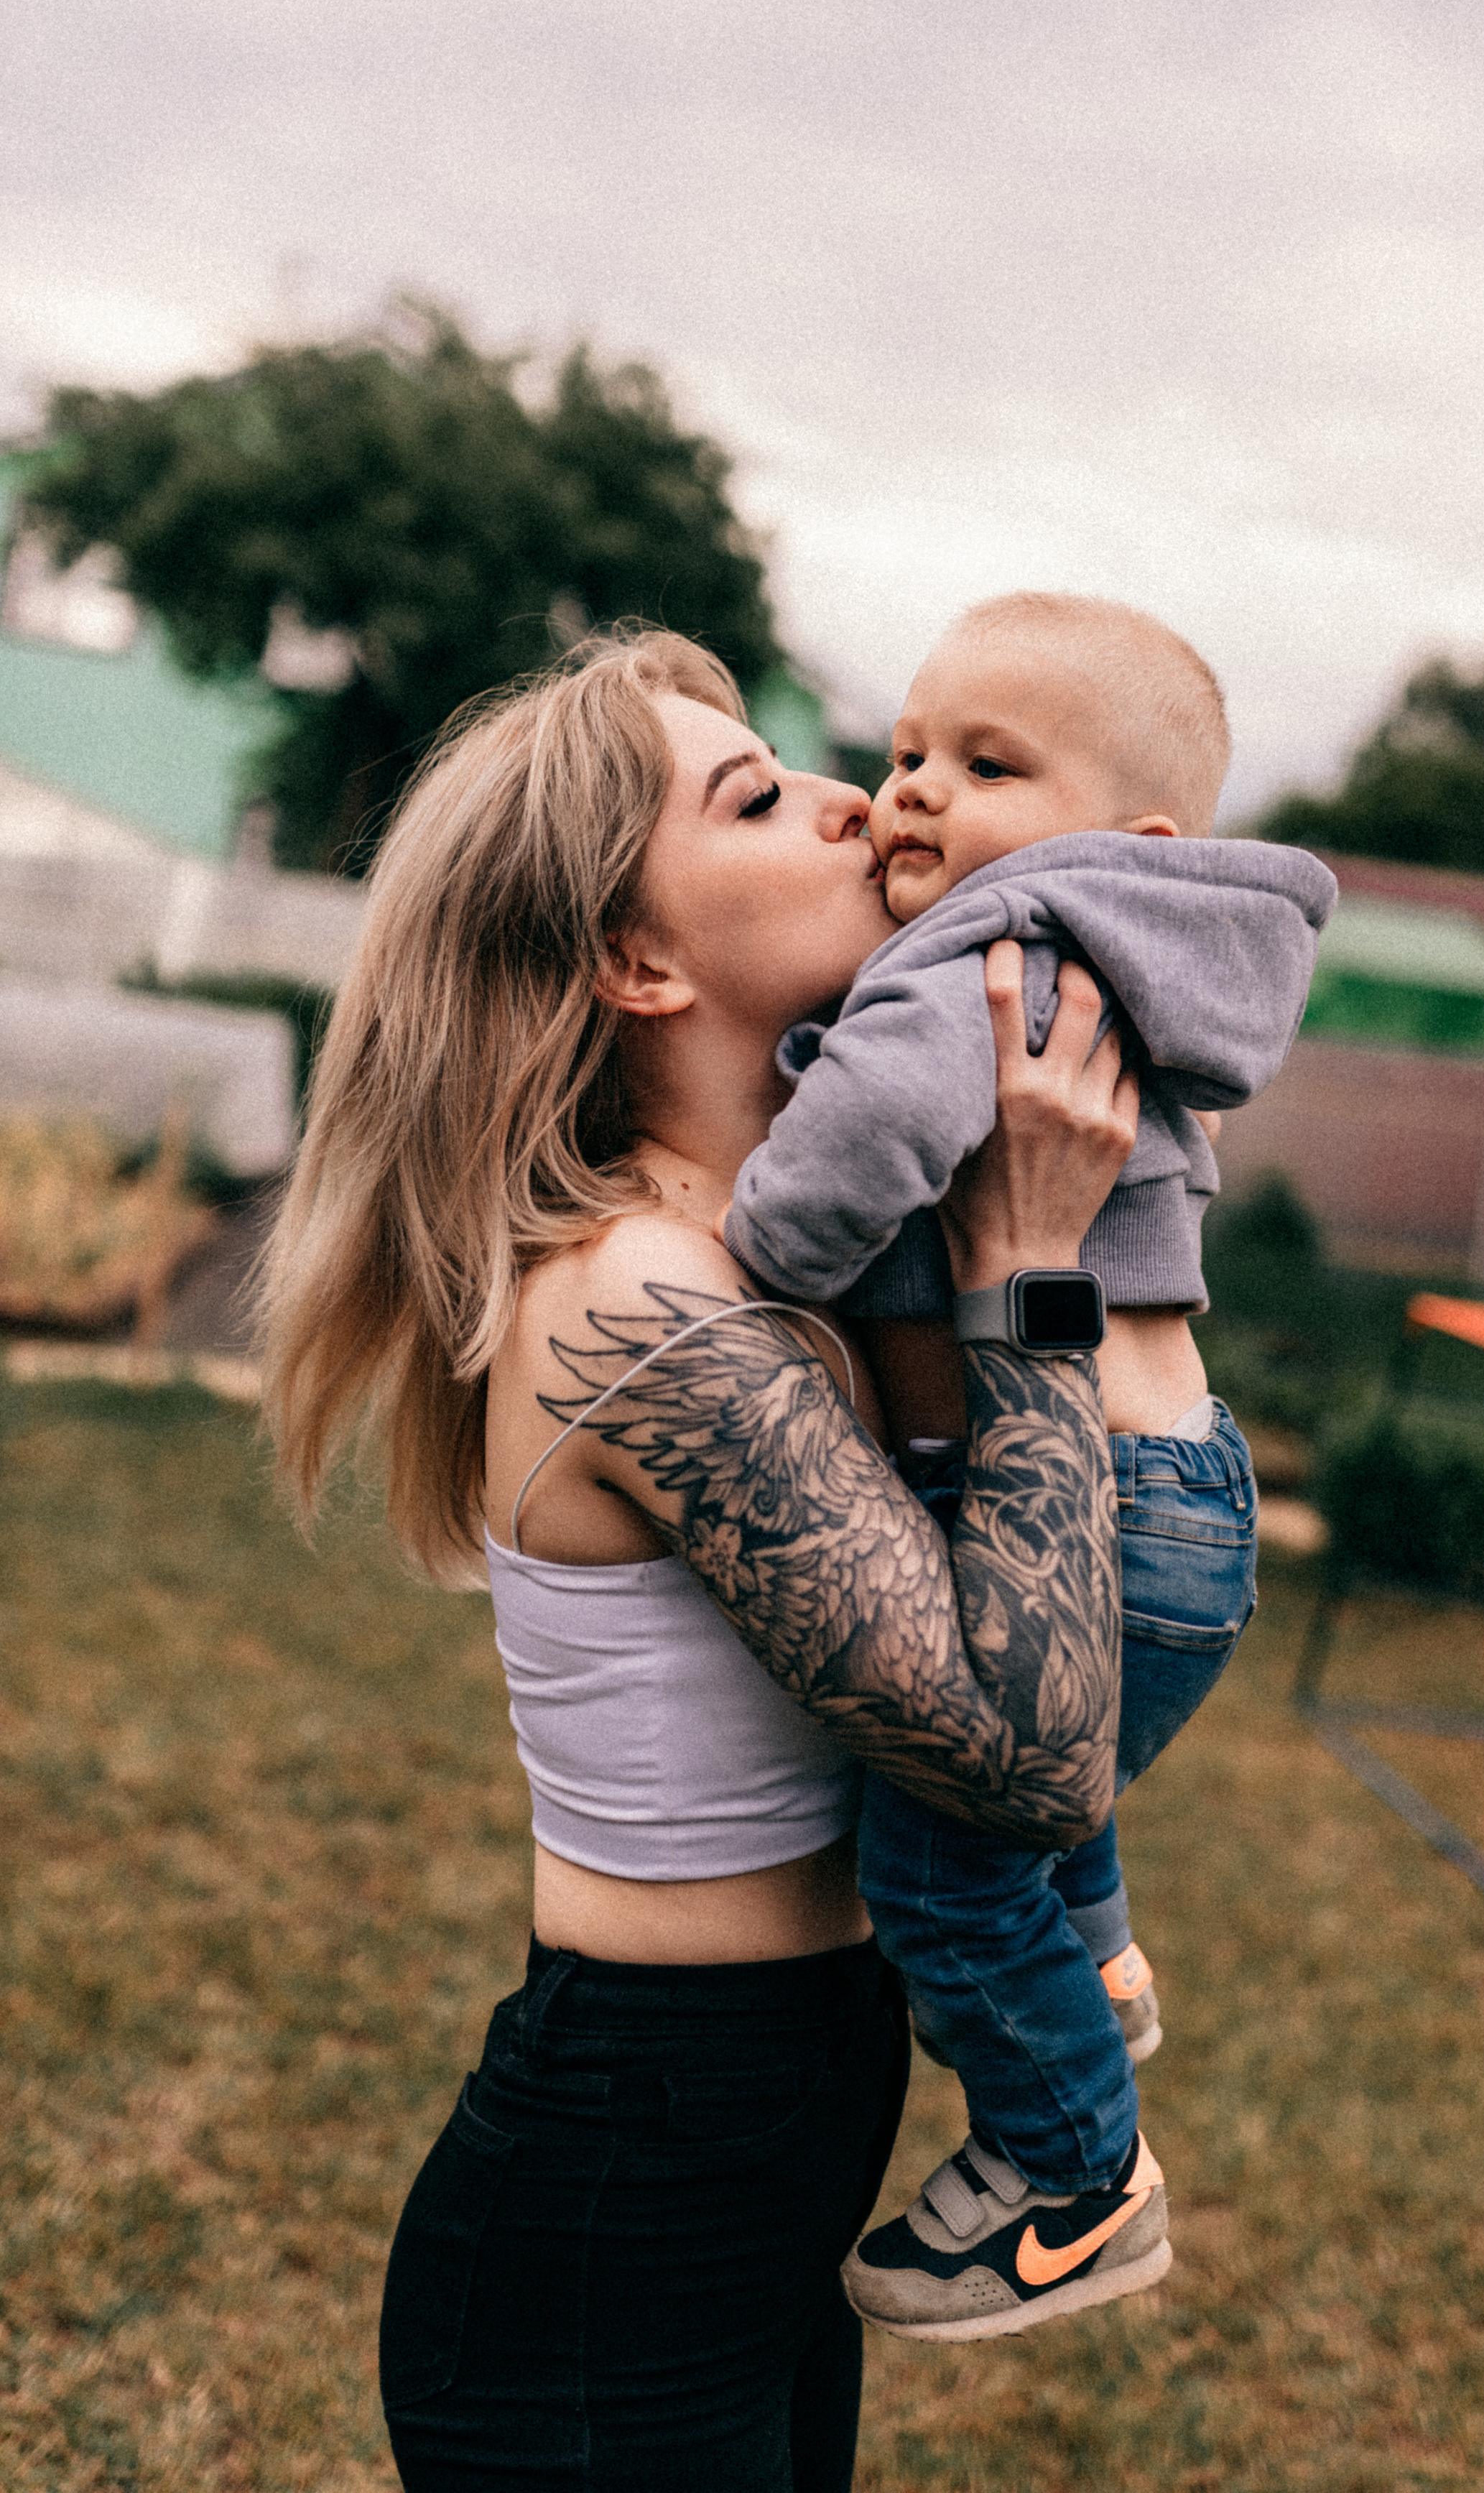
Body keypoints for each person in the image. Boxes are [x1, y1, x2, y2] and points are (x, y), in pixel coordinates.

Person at [259, 628, 1151, 2493]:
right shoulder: (639, 1300)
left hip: (766, 2146)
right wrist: (1041, 1281)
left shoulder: (779, 1263)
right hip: (625, 2204)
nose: (854, 802)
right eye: (754, 796)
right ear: (636, 960)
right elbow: (1029, 1753)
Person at [723, 593, 1334, 2340]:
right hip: (1178, 1482)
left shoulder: (993, 946)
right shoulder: (1122, 954)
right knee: (1040, 1789)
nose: (912, 791)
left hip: (1110, 1500)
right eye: (908, 746)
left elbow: (871, 1135)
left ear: (1123, 837)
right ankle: (1106, 1960)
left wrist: (763, 1236)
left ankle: (1075, 2171)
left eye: (986, 764)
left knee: (937, 1870)